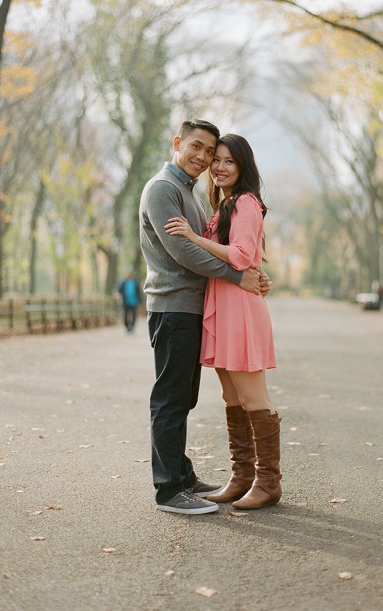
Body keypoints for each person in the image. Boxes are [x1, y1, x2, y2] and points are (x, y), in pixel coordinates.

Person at [139, 120, 265, 515]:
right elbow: (185, 253)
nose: (203, 157)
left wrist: (253, 274)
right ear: (177, 143)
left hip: (191, 308)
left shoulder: (190, 194)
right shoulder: (162, 189)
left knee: (184, 398)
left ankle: (183, 476)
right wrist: (237, 276)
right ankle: (168, 490)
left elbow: (221, 246)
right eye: (197, 147)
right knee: (171, 399)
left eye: (210, 152)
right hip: (172, 307)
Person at [165, 133, 281, 510]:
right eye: (217, 159)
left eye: (229, 161)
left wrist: (195, 239)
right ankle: (242, 476)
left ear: (243, 165)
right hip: (224, 305)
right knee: (232, 397)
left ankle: (268, 483)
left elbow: (243, 255)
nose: (219, 166)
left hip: (242, 311)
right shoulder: (226, 205)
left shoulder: (246, 203)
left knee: (252, 397)